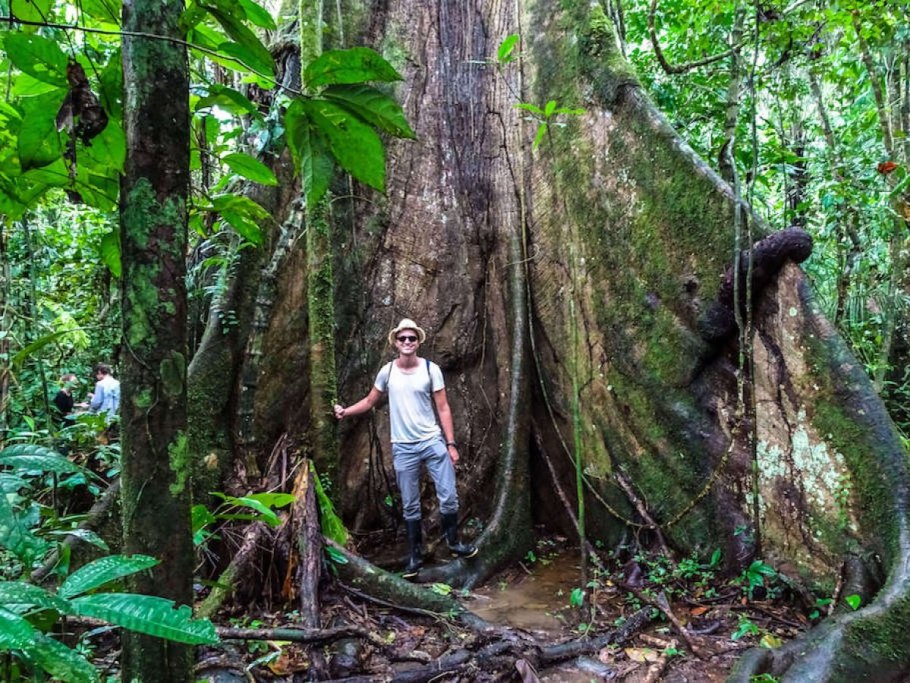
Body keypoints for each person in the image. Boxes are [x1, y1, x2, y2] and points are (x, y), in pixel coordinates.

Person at [334, 318, 478, 579]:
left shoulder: (430, 369)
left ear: (419, 342)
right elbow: (369, 401)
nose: (408, 342)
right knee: (410, 504)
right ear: (396, 343)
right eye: (403, 339)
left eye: (412, 338)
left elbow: (443, 408)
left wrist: (451, 443)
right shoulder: (387, 372)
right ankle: (415, 555)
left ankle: (454, 543)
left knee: (448, 495)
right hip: (403, 447)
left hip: (432, 441)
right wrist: (345, 412)